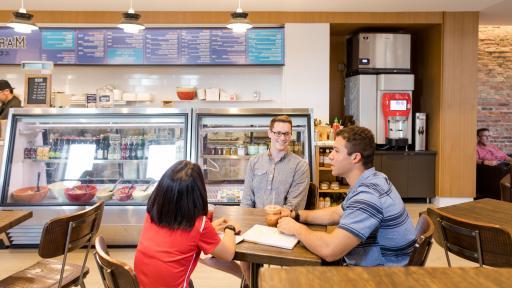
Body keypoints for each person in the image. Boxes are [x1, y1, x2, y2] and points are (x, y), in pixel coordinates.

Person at [277, 126, 416, 266]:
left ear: (355, 157)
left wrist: (296, 228)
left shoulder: (368, 197)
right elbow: (337, 213)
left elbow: (330, 250)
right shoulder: (374, 179)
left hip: (380, 277)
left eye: (336, 151)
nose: (330, 156)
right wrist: (296, 215)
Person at [134, 160, 241, 288]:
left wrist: (209, 229)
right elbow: (228, 254)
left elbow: (177, 239)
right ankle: (248, 279)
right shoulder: (198, 224)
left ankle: (245, 277)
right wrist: (230, 228)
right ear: (197, 194)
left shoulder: (153, 213)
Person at [241, 115, 310, 210]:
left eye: (286, 134)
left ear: (290, 135)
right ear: (269, 133)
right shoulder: (254, 161)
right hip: (255, 221)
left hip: (284, 222)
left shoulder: (300, 166)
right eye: (278, 133)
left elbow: (294, 207)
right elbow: (246, 200)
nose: (282, 138)